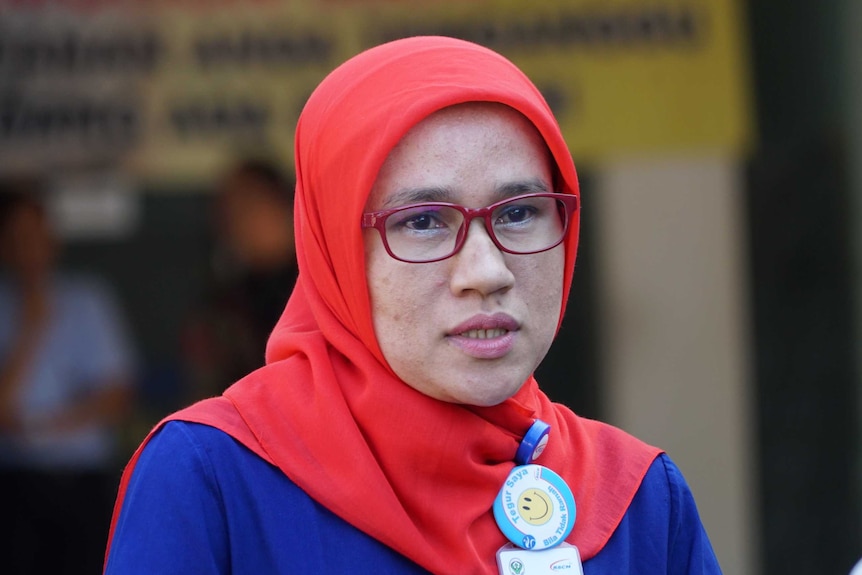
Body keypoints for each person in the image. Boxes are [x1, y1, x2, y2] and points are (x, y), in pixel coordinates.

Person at [104, 36, 721, 574]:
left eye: (520, 213)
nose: (487, 272)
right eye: (423, 220)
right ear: (338, 254)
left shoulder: (636, 499)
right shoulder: (213, 480)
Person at [0, 188, 136, 575]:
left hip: (83, 479)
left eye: (36, 234)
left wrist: (43, 427)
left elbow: (117, 397)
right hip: (14, 483)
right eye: (16, 238)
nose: (29, 248)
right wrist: (31, 329)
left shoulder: (88, 299)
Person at [181, 160, 298, 401]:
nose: (240, 222)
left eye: (252, 207)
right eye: (230, 212)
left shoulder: (321, 283)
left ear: (286, 206)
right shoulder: (223, 304)